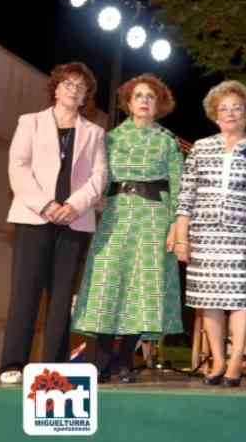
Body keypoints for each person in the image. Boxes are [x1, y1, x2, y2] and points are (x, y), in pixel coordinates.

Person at [0, 63, 107, 385]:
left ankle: (55, 367)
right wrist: (46, 205)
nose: (74, 90)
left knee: (62, 297)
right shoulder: (29, 122)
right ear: (56, 88)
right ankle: (13, 363)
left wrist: (73, 205)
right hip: (34, 217)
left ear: (87, 95)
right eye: (68, 84)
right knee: (25, 292)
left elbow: (99, 176)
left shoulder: (95, 132)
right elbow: (18, 167)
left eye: (80, 86)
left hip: (75, 222)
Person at [71, 74, 184, 383]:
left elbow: (179, 187)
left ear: (159, 104)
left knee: (143, 289)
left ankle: (124, 361)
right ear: (128, 103)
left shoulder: (167, 141)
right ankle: (102, 359)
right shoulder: (110, 139)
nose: (145, 100)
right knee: (110, 284)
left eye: (150, 96)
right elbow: (96, 178)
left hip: (153, 220)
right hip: (116, 217)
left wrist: (176, 226)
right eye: (139, 96)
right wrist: (94, 202)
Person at [174, 80, 246, 388]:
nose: (231, 114)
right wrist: (182, 235)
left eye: (237, 109)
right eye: (224, 109)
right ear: (215, 115)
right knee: (210, 299)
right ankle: (218, 359)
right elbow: (185, 194)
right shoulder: (201, 147)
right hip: (204, 235)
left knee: (241, 299)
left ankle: (235, 361)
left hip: (244, 234)